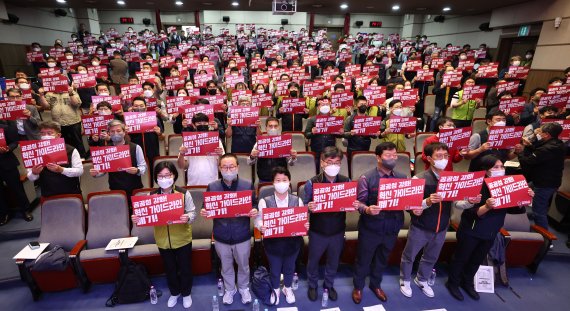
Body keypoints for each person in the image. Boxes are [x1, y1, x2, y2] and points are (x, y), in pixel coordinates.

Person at [446, 155, 534, 301]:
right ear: (486, 170)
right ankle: (453, 283)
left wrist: (523, 199)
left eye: (502, 167)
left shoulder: (506, 184)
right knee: (461, 258)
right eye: (496, 167)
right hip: (471, 229)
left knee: (477, 259)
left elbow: (513, 209)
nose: (500, 170)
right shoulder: (475, 184)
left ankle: (467, 282)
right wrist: (486, 206)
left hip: (492, 230)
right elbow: (469, 212)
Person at [400, 142, 481, 298]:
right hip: (421, 226)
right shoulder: (419, 178)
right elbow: (411, 206)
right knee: (409, 255)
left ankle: (422, 279)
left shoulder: (451, 179)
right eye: (439, 156)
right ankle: (405, 280)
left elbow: (457, 204)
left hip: (442, 227)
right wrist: (427, 202)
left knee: (431, 257)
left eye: (446, 156)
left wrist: (471, 201)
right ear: (430, 159)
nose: (443, 159)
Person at [131, 161, 196, 308]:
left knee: (185, 268)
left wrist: (188, 217)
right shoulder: (151, 195)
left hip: (182, 238)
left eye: (168, 175)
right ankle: (175, 292)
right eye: (160, 176)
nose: (164, 178)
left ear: (174, 175)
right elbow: (144, 214)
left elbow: (193, 212)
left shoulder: (184, 193)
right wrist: (137, 218)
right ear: (156, 178)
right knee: (170, 268)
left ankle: (186, 293)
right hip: (162, 240)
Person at [352, 142, 406, 304]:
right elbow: (358, 203)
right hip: (371, 227)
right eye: (388, 155)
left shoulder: (402, 177)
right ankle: (358, 287)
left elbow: (407, 201)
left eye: (395, 155)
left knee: (382, 258)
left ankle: (376, 285)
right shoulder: (366, 178)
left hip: (393, 226)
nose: (392, 158)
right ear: (378, 157)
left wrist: (414, 208)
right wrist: (367, 209)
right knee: (364, 259)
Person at [201, 154, 258, 305]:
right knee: (225, 266)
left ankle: (244, 288)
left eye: (231, 166)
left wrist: (254, 210)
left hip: (242, 235)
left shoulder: (247, 185)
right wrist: (204, 211)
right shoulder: (212, 186)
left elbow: (255, 204)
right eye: (224, 167)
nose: (228, 169)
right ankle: (230, 289)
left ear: (238, 167)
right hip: (221, 235)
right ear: (219, 169)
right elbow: (205, 207)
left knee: (244, 265)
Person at [303, 146, 351, 302]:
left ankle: (329, 285)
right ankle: (312, 285)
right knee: (313, 260)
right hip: (318, 230)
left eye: (337, 162)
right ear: (322, 163)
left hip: (337, 230)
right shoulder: (312, 183)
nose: (333, 166)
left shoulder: (346, 181)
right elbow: (303, 206)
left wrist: (354, 204)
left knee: (333, 260)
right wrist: (308, 207)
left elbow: (350, 204)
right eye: (330, 162)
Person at [254, 166, 306, 305]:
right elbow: (258, 219)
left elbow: (302, 220)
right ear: (273, 182)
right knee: (275, 269)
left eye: (284, 179)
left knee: (290, 268)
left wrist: (305, 225)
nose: (281, 182)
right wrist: (261, 226)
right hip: (273, 244)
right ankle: (276, 288)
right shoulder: (265, 201)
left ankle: (287, 288)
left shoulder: (297, 200)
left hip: (292, 243)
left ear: (289, 182)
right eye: (278, 180)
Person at [516, 122, 566, 229]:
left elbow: (527, 162)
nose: (539, 133)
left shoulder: (546, 149)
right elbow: (539, 154)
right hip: (549, 180)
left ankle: (545, 238)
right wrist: (530, 146)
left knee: (539, 211)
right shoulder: (559, 143)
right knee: (522, 190)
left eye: (541, 132)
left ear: (546, 134)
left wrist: (520, 152)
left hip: (544, 184)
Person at [89, 120, 147, 198]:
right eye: (112, 131)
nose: (116, 133)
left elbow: (143, 167)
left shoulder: (135, 147)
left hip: (135, 188)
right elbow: (103, 171)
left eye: (118, 131)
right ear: (109, 133)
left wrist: (137, 170)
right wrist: (95, 174)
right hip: (115, 189)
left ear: (124, 132)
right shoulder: (105, 150)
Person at [27, 121, 83, 198]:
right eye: (42, 133)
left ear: (58, 135)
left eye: (49, 133)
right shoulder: (35, 151)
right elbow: (31, 178)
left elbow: (79, 171)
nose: (45, 136)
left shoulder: (71, 150)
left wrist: (61, 170)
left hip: (70, 192)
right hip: (48, 194)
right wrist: (34, 173)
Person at [38, 78, 87, 158]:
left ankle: (81, 157)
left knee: (77, 141)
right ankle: (67, 158)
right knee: (62, 142)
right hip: (58, 123)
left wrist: (71, 93)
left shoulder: (72, 92)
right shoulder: (50, 94)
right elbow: (46, 106)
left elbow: (77, 104)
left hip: (73, 121)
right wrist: (42, 96)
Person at [0, 120, 33, 225]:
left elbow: (15, 142)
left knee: (17, 188)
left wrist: (8, 148)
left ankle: (25, 210)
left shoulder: (4, 127)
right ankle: (4, 213)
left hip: (6, 162)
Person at [177, 113, 225, 186]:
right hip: (193, 183)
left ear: (208, 123)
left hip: (212, 183)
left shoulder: (216, 140)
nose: (202, 125)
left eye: (205, 123)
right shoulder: (188, 140)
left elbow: (221, 165)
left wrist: (220, 155)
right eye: (199, 123)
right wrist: (181, 155)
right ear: (193, 125)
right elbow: (182, 166)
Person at [247, 117, 297, 183]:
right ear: (266, 128)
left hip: (280, 179)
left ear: (279, 127)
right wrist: (252, 156)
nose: (273, 128)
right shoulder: (260, 142)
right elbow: (249, 163)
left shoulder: (284, 142)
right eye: (270, 126)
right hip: (264, 179)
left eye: (275, 126)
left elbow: (291, 163)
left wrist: (293, 158)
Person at [305, 96, 339, 165]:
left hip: (330, 149)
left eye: (327, 105)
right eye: (323, 105)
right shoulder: (312, 119)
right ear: (318, 107)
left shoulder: (334, 119)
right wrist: (312, 133)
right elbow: (307, 134)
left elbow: (339, 135)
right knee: (317, 167)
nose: (325, 106)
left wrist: (340, 132)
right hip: (316, 149)